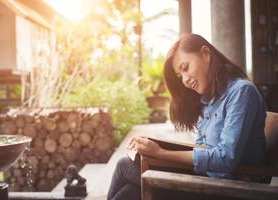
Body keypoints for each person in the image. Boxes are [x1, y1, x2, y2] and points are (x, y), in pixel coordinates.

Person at [107, 34, 267, 200]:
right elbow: (203, 149)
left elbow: (225, 158)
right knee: (129, 193)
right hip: (207, 179)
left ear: (206, 54)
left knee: (125, 166)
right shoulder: (209, 99)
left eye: (185, 68)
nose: (184, 80)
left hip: (230, 189)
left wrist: (160, 152)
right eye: (179, 76)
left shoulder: (242, 92)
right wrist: (154, 148)